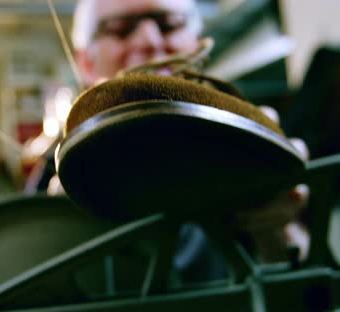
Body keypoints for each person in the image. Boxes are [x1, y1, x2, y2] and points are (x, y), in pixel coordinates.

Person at [26, 0, 310, 283]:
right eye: (121, 29)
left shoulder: (243, 140)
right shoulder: (56, 166)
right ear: (86, 62)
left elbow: (304, 289)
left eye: (169, 24)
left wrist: (275, 225)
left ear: (197, 43)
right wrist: (62, 234)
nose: (150, 40)